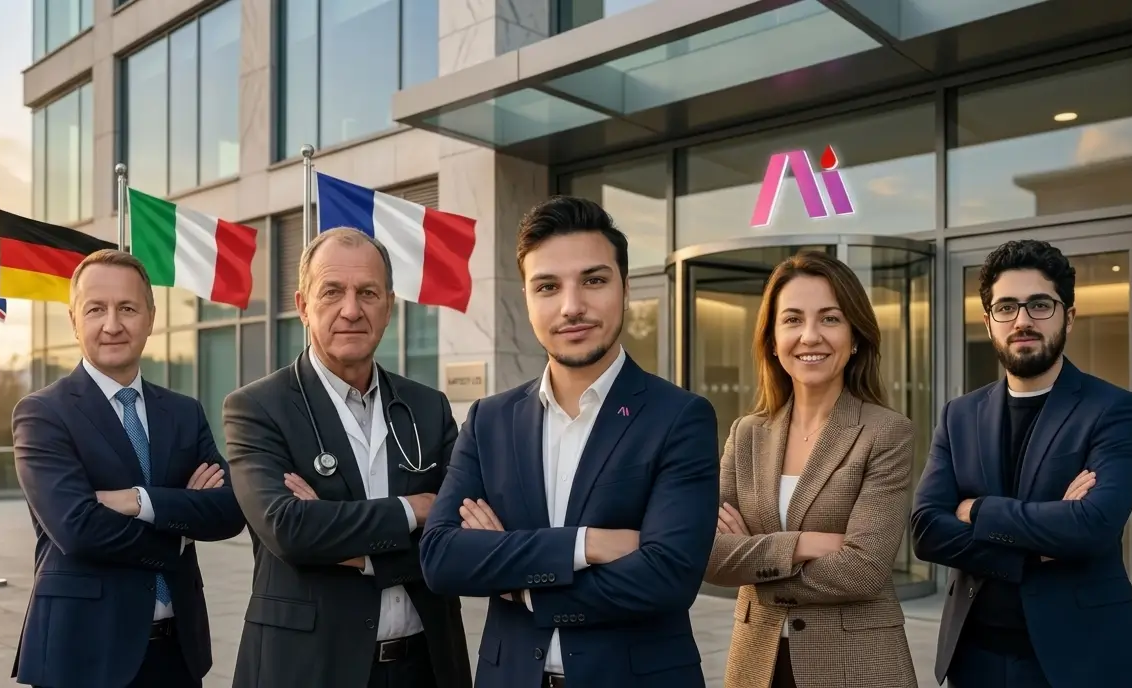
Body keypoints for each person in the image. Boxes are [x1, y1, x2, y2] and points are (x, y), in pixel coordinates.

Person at [419, 195, 720, 688]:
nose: (571, 306)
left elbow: (668, 577)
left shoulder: (679, 417)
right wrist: (585, 544)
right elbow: (441, 559)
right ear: (527, 299)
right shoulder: (489, 420)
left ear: (625, 288)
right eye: (548, 287)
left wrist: (518, 582)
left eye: (594, 280)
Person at [222, 228, 471, 688]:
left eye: (368, 293)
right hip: (307, 668)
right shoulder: (257, 408)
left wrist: (348, 545)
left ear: (389, 306)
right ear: (302, 305)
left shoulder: (428, 407)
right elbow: (290, 530)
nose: (351, 310)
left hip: (427, 667)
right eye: (332, 291)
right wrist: (412, 510)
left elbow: (460, 533)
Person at [911, 239, 1132, 688]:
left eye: (1039, 304)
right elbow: (926, 531)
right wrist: (1038, 545)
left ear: (1069, 316)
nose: (1022, 320)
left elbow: (1094, 525)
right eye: (1006, 307)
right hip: (975, 658)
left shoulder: (1113, 408)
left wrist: (977, 510)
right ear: (988, 323)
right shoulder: (959, 414)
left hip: (1082, 658)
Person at [11, 249, 247, 688]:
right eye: (96, 309)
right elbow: (78, 528)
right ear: (73, 319)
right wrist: (179, 528)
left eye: (127, 308)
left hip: (178, 651)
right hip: (83, 654)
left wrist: (139, 501)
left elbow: (230, 509)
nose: (112, 324)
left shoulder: (183, 412)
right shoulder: (43, 413)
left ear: (151, 317)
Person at [704, 250, 918, 688]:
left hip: (857, 666)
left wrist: (755, 557)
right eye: (793, 319)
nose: (810, 336)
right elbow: (707, 555)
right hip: (755, 664)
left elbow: (864, 570)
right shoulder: (746, 434)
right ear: (772, 339)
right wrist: (803, 543)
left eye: (830, 318)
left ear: (855, 336)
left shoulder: (886, 432)